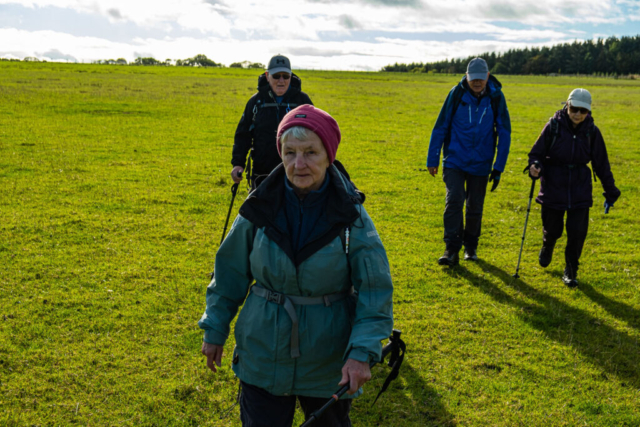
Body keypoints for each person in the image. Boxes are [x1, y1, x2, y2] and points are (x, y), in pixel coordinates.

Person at [200, 104, 394, 426]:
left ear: (328, 155)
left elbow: (375, 291)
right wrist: (215, 326)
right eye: (289, 153)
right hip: (263, 353)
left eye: (310, 153)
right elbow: (229, 272)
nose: (298, 164)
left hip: (327, 359)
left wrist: (361, 352)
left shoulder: (351, 215)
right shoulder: (258, 207)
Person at [528, 88, 620, 288]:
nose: (577, 114)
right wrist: (535, 166)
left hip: (580, 186)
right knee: (553, 229)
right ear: (567, 106)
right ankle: (548, 244)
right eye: (574, 109)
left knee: (577, 232)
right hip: (553, 185)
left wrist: (610, 189)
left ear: (589, 111)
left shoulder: (592, 132)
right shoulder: (553, 126)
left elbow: (601, 163)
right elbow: (536, 153)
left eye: (583, 110)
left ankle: (571, 269)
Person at [426, 57, 511, 265]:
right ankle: (451, 249)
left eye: (481, 79)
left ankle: (470, 247)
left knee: (475, 207)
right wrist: (433, 158)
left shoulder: (496, 97)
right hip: (455, 160)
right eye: (473, 79)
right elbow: (440, 127)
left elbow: (504, 132)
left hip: (482, 163)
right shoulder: (456, 95)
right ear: (466, 76)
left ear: (488, 77)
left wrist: (498, 166)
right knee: (454, 200)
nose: (477, 82)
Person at [231, 54, 313, 189]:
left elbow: (316, 135)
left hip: (296, 170)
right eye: (276, 76)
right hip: (262, 172)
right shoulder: (256, 102)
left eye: (285, 76)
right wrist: (238, 164)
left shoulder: (302, 101)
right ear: (267, 75)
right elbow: (243, 135)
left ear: (291, 77)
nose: (281, 80)